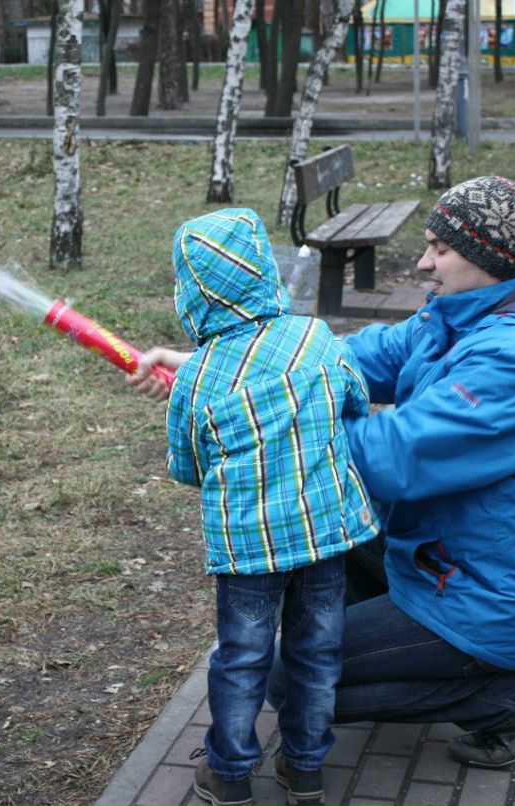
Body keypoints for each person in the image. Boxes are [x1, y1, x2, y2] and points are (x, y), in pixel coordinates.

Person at [131, 177, 515, 771]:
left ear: (487, 258)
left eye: (440, 249)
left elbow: (394, 453)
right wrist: (214, 366)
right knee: (321, 532)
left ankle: (504, 691)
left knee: (288, 679)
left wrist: (263, 429)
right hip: (444, 554)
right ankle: (405, 649)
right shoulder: (457, 315)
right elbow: (346, 357)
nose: (425, 261)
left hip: (489, 597)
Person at [145, 208, 379, 806]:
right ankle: (304, 767)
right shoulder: (315, 337)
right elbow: (357, 398)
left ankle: (229, 773)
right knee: (318, 652)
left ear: (192, 294)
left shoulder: (197, 379)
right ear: (261, 271)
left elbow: (187, 469)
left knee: (242, 659)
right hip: (326, 539)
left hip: (249, 553)